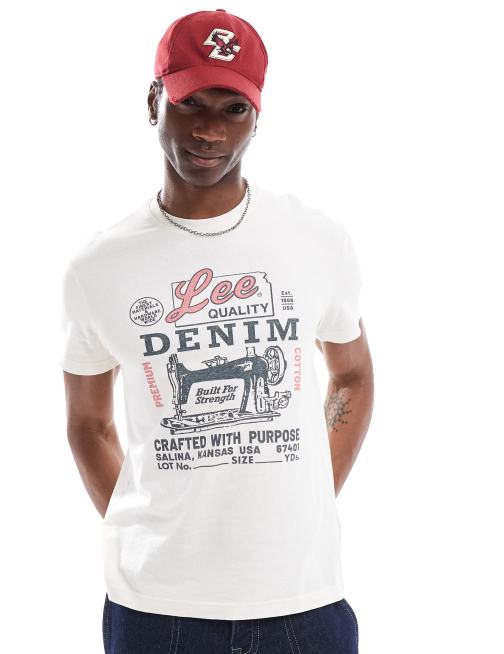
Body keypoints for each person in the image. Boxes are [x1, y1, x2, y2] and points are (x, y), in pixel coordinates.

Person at [60, 8, 374, 654]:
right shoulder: (99, 268)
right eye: (190, 103)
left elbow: (351, 374)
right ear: (154, 101)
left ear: (257, 117)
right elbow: (87, 423)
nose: (209, 130)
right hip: (157, 611)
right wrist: (153, 530)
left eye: (234, 109)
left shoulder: (317, 242)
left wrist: (311, 494)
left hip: (303, 602)